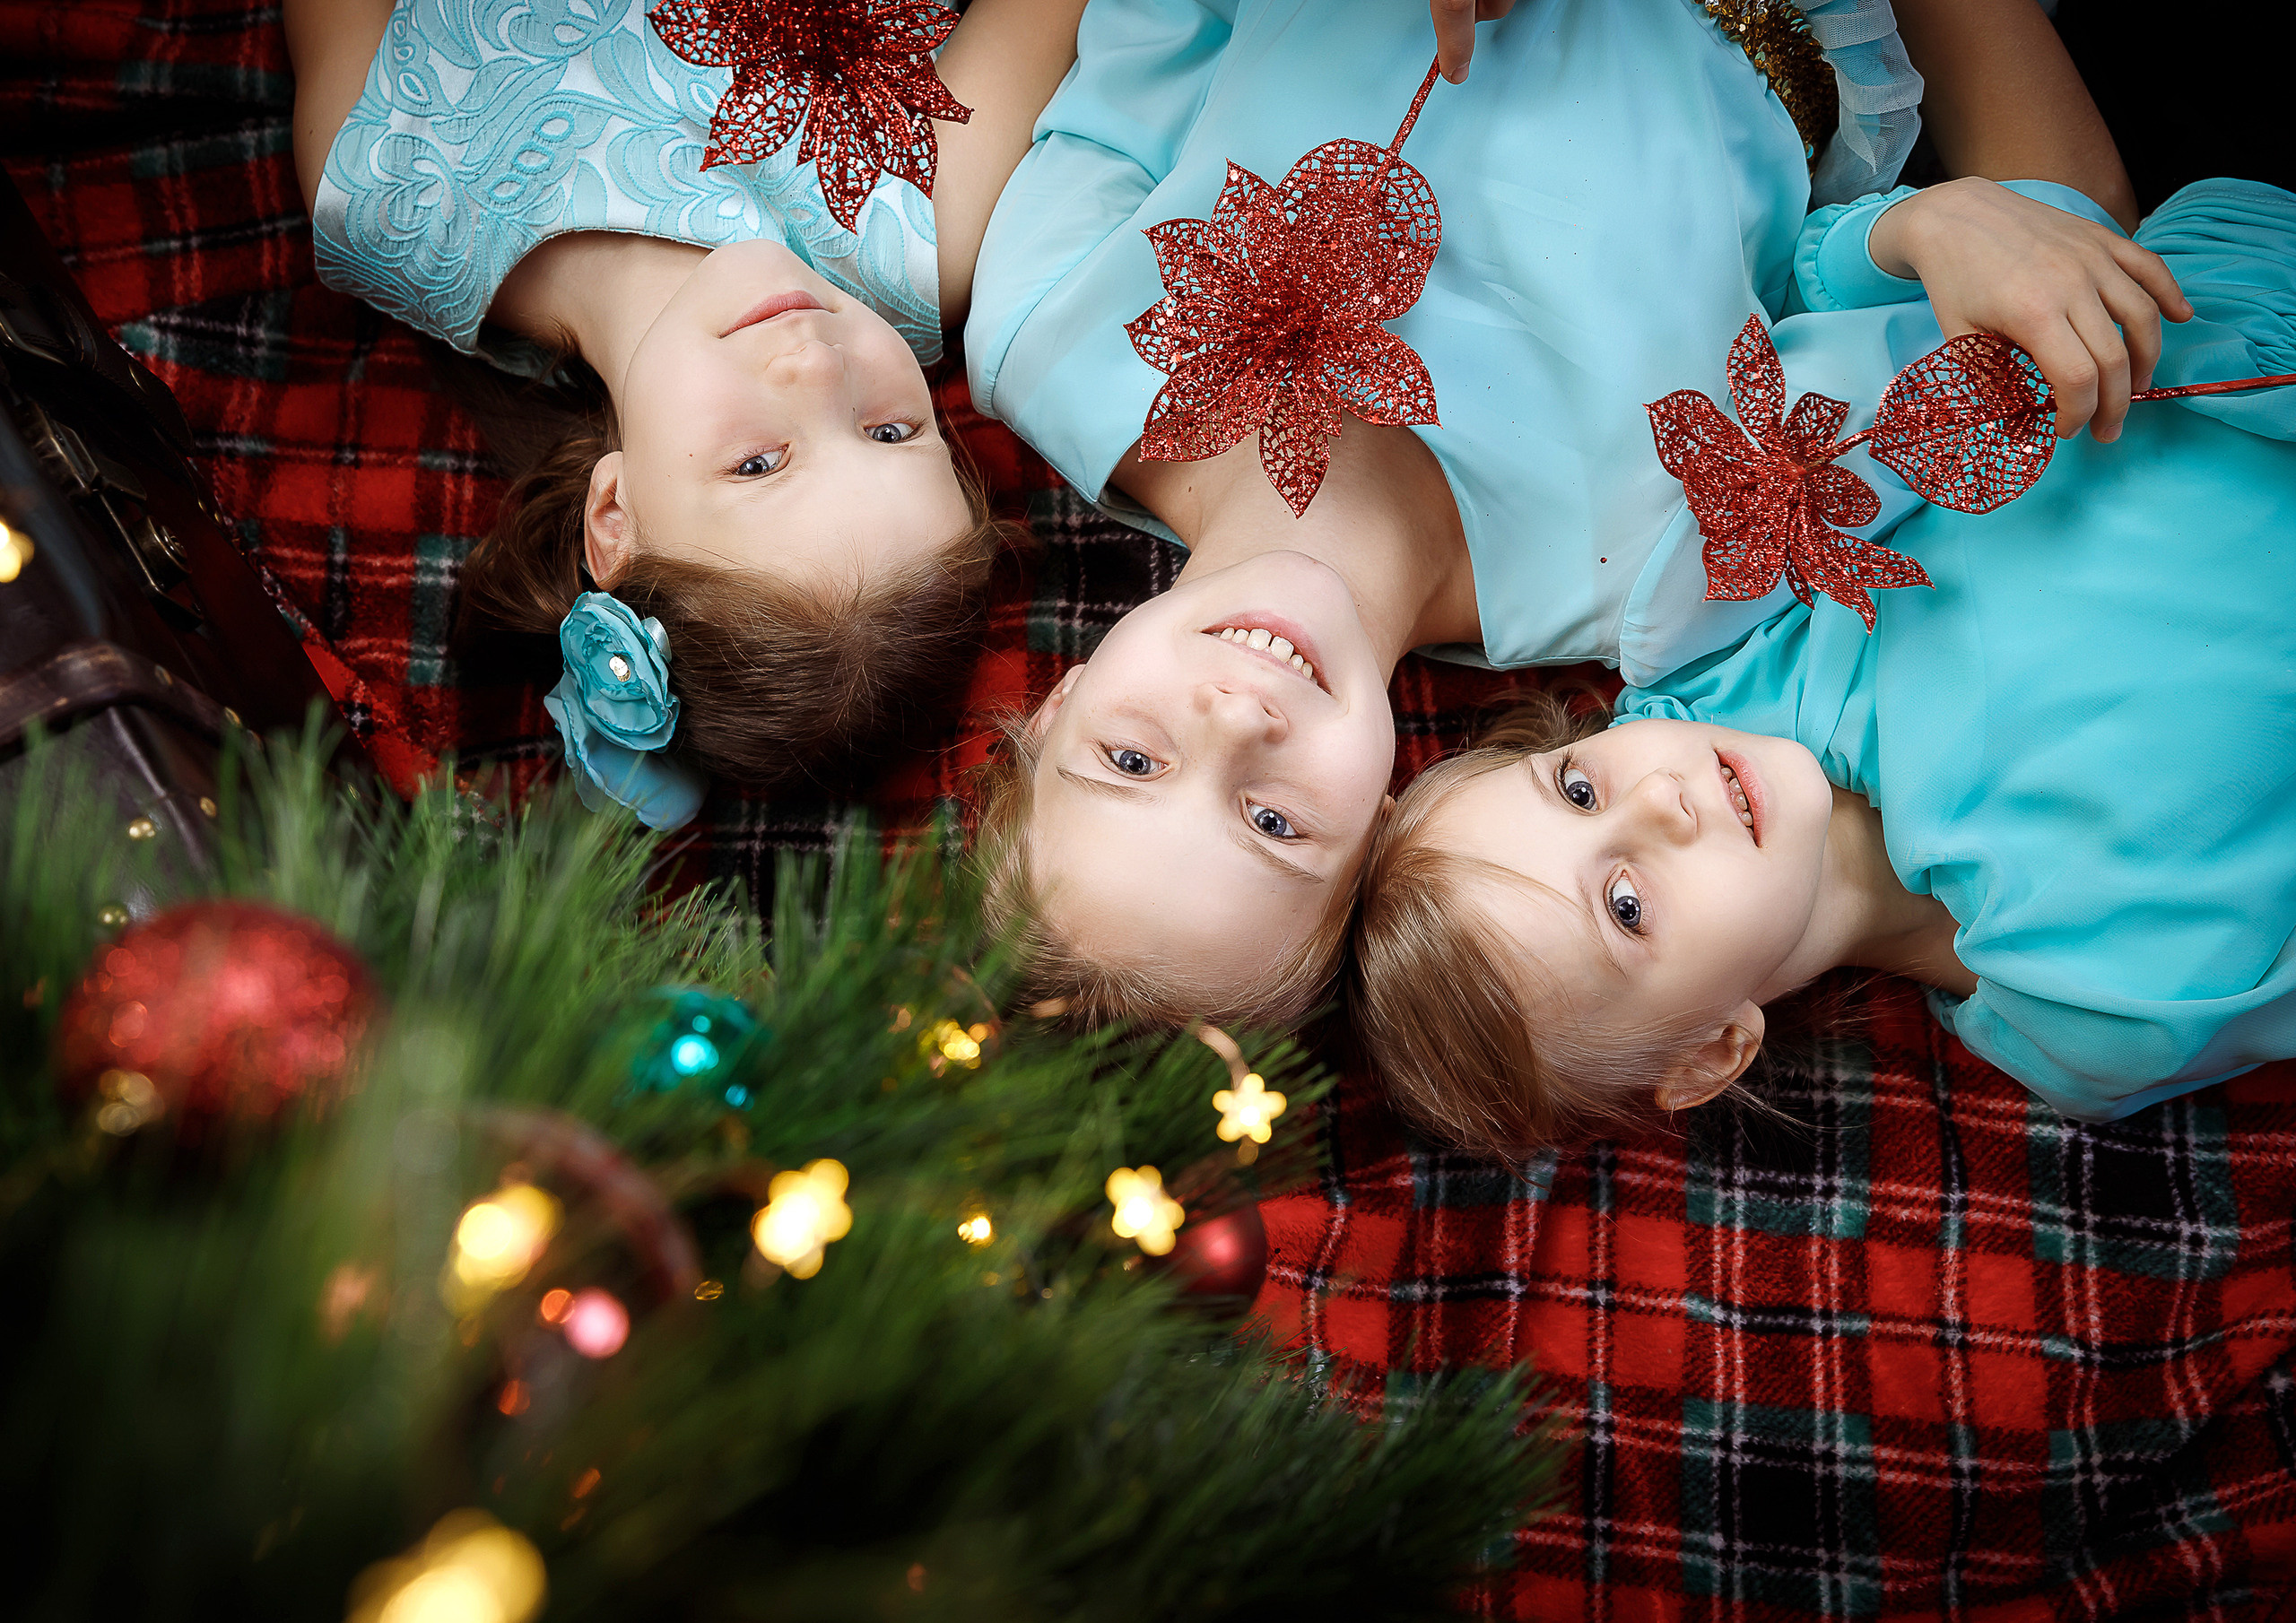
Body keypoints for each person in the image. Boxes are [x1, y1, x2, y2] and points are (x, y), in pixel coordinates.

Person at [964, 0, 2174, 1026]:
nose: (1238, 719)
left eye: (1131, 758)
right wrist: (1951, 222)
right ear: (1383, 830)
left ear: (1062, 697)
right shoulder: (1655, 584)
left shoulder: (1050, 338)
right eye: (1277, 821)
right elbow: (2032, 284)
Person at [1348, 175, 2296, 1154]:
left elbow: (1827, 322)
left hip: (2220, 300)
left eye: (1578, 788)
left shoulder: (1717, 619)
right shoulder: (2097, 1008)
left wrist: (1919, 228)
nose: (1659, 803)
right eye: (1625, 907)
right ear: (1711, 1053)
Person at [283, 0, 1081, 820]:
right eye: (888, 430)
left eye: (760, 464)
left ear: (616, 520)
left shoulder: (382, 197)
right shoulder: (915, 227)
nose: (814, 363)